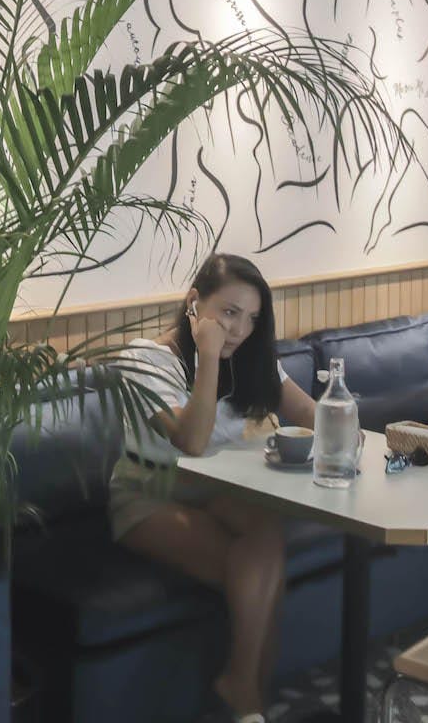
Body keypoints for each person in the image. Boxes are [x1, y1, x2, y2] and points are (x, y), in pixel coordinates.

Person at [107, 253, 319, 723]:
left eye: (252, 318)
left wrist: (347, 429)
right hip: (149, 494)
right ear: (193, 303)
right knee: (261, 572)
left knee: (265, 538)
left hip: (218, 493)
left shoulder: (250, 356)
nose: (240, 330)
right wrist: (207, 355)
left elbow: (307, 412)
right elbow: (193, 441)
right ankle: (247, 698)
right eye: (229, 312)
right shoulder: (144, 360)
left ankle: (245, 693)